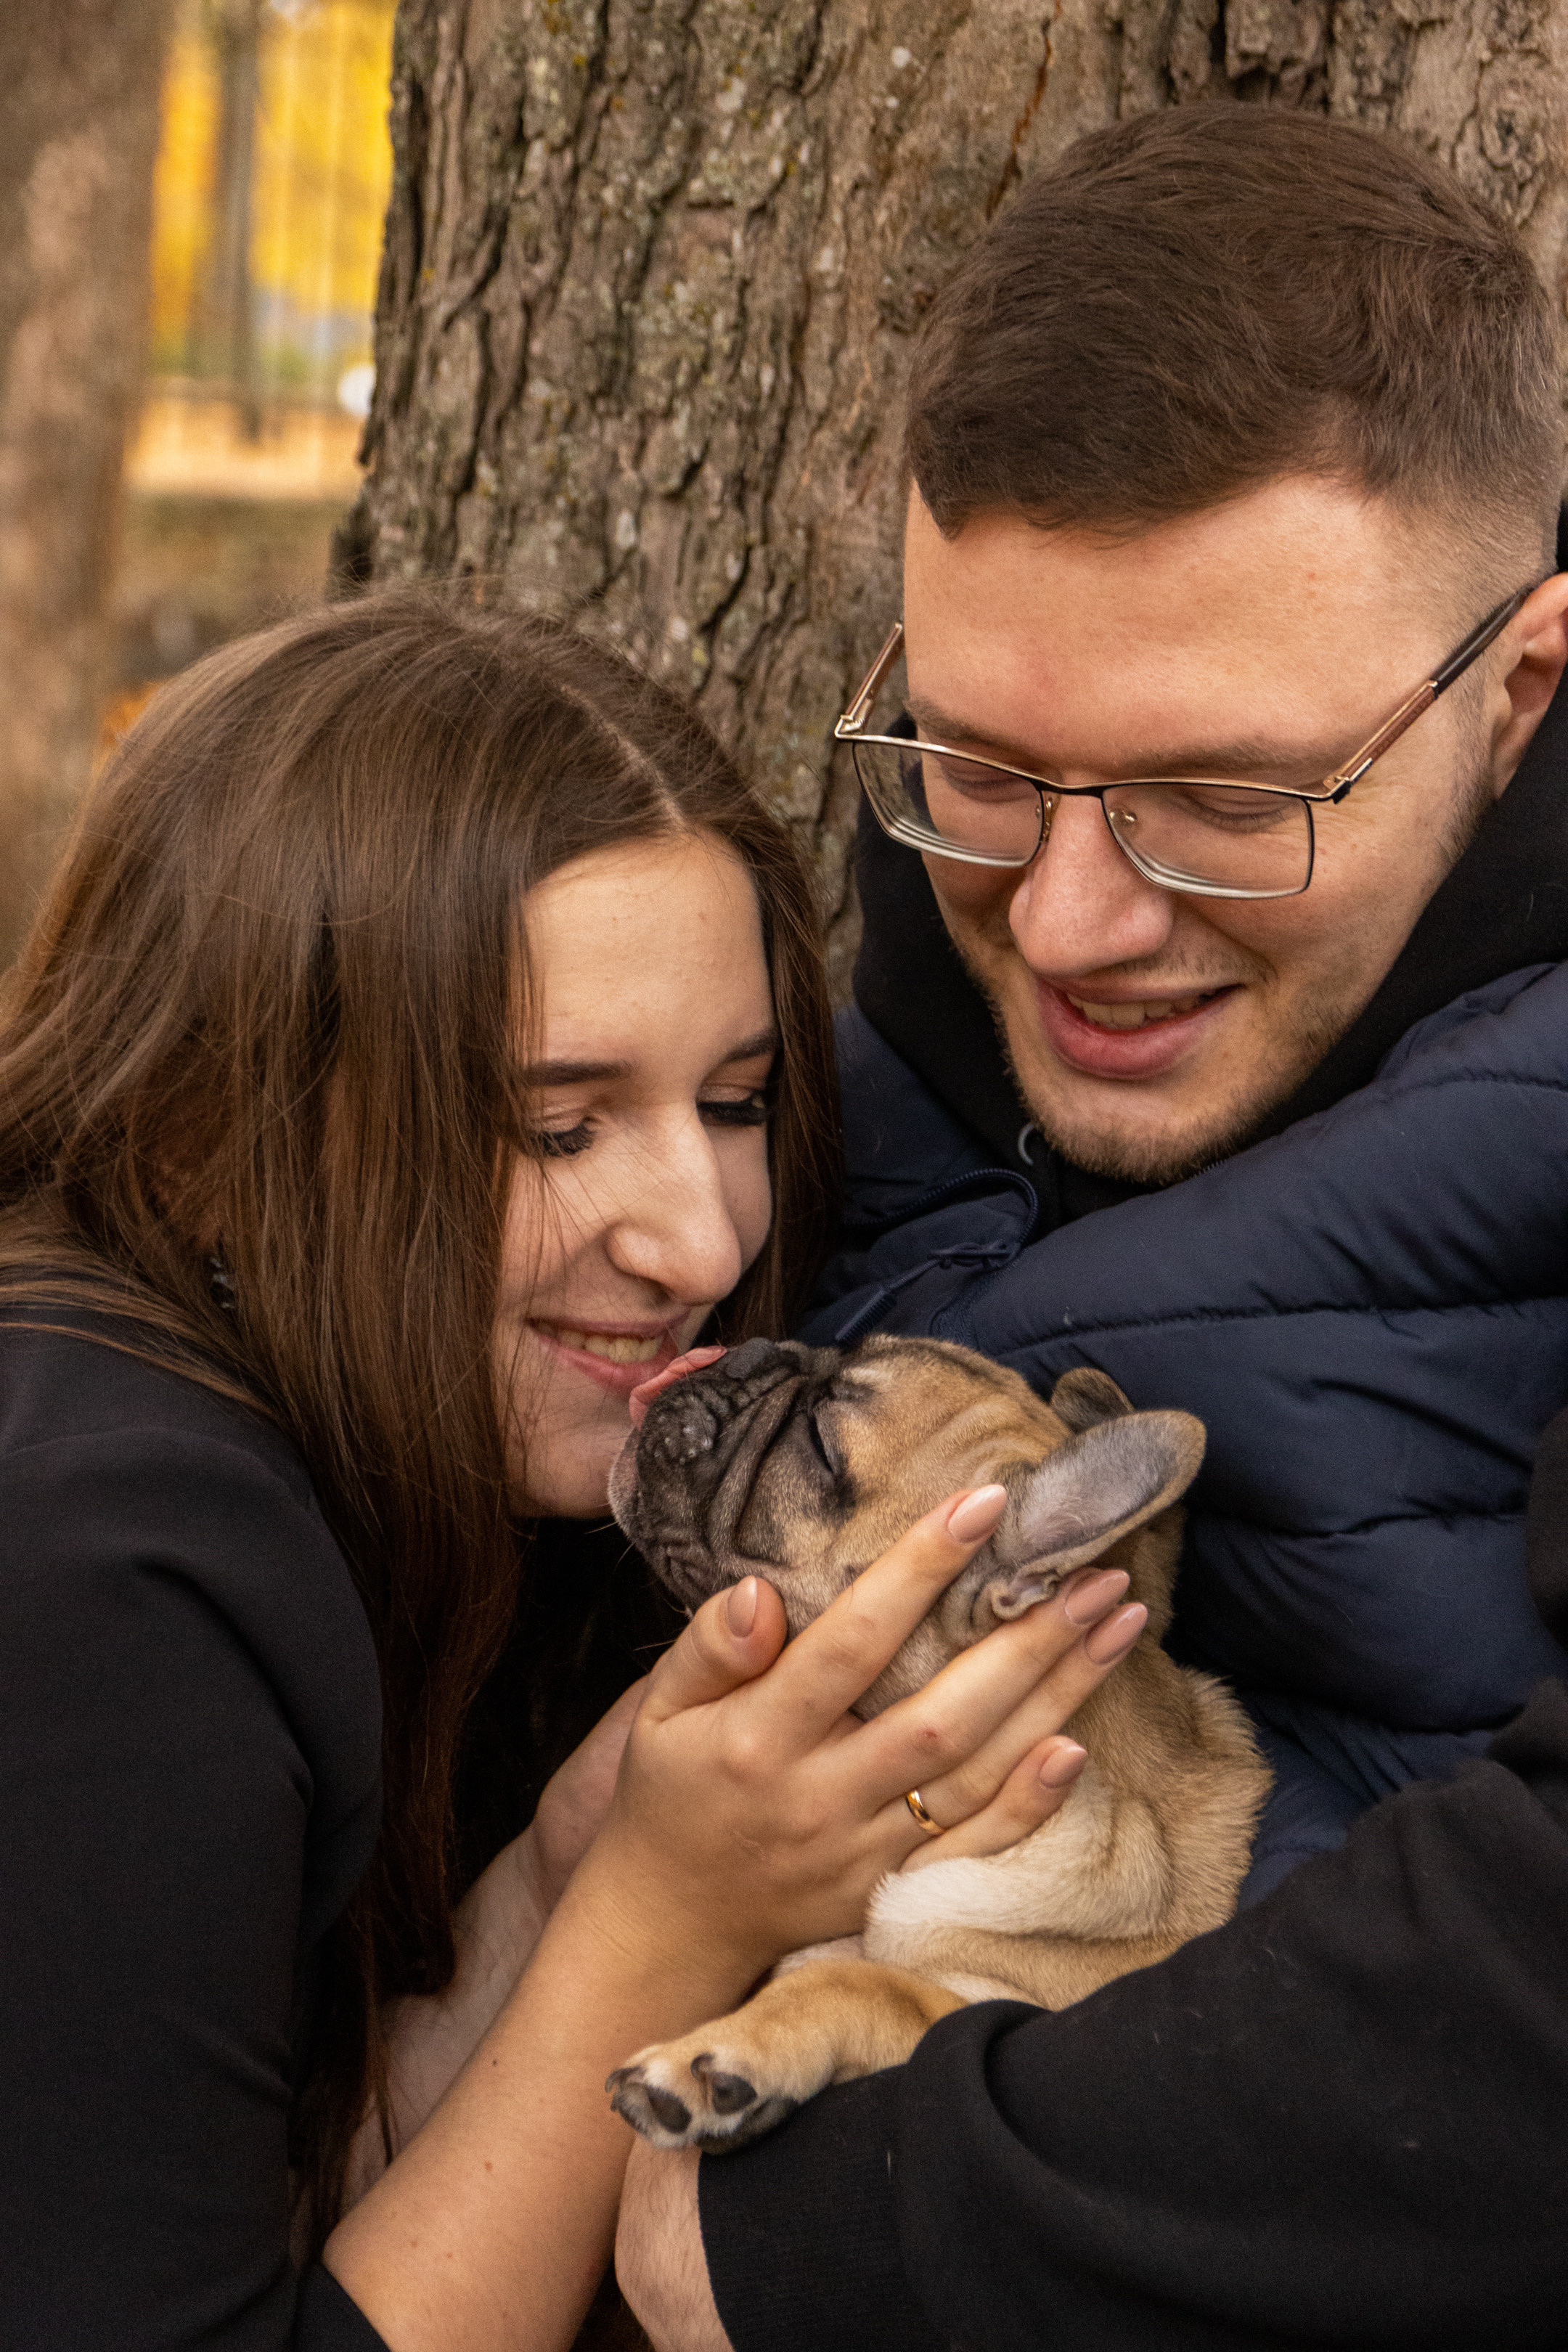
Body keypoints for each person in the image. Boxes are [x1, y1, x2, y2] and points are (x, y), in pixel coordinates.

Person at [614, 103, 1568, 2351]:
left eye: (1224, 799)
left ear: (1521, 691)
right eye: (978, 768)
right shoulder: (820, 1074)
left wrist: (843, 2235)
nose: (1063, 925)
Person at [0, 594, 1147, 2351]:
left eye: (740, 1101)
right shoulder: (92, 1566)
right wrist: (661, 1920)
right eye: (557, 1124)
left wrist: (561, 1874)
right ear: (204, 1132)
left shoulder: (327, 1467)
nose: (703, 1240)